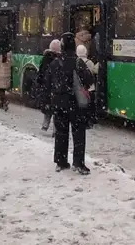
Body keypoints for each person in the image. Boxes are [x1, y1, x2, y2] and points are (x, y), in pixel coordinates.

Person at [47, 32, 94, 175]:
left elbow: (47, 81)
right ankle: (78, 163)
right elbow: (88, 80)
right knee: (78, 133)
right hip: (75, 104)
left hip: (60, 103)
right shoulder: (78, 62)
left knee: (61, 133)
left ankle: (61, 162)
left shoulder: (55, 62)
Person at [37, 39, 61, 131]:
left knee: (47, 106)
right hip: (56, 88)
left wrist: (41, 84)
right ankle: (55, 129)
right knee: (56, 109)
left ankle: (45, 124)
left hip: (47, 86)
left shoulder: (45, 58)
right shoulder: (60, 60)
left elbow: (41, 73)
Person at [76, 44, 99, 128]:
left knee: (83, 106)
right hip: (90, 88)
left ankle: (83, 120)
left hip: (81, 88)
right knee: (91, 105)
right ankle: (91, 120)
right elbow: (95, 71)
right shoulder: (89, 62)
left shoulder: (76, 61)